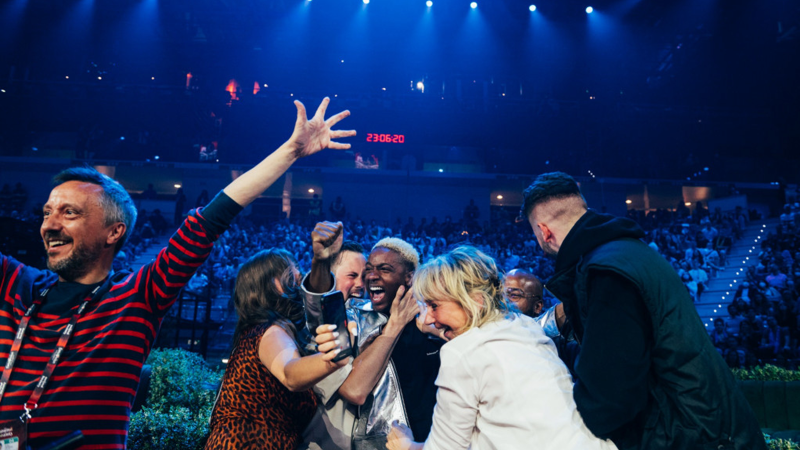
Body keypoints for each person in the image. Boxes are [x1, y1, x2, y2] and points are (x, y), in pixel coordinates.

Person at [0, 97, 354, 449]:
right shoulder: (17, 286)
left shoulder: (135, 298)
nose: (49, 225)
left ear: (114, 232)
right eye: (47, 212)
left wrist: (291, 151)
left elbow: (212, 218)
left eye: (69, 213)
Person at [521, 172, 765, 450]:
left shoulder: (605, 273)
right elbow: (622, 356)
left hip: (692, 436)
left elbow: (610, 398)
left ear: (544, 231)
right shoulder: (627, 252)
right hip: (704, 428)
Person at [386, 246, 616, 450]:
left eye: (434, 306)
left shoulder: (461, 354)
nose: (427, 319)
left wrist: (406, 445)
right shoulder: (524, 326)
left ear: (476, 301)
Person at [303, 229, 443, 449]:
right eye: (369, 269)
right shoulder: (355, 318)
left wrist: (437, 327)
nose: (371, 277)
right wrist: (394, 325)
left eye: (384, 269)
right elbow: (354, 391)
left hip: (434, 440)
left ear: (409, 277)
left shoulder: (433, 319)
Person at [205, 249, 349, 450]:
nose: (299, 275)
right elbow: (290, 373)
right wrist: (333, 357)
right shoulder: (269, 332)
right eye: (290, 270)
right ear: (266, 285)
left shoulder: (265, 333)